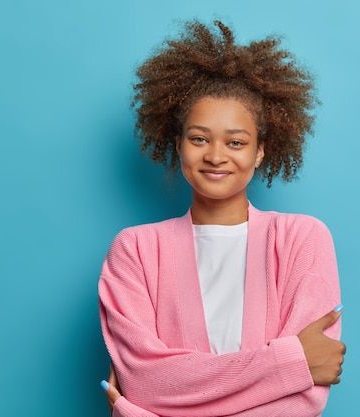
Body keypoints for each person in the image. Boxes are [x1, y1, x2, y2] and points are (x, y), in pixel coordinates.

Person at [98, 19, 345, 417]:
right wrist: (292, 361)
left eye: (236, 142)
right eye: (198, 138)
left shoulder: (302, 239)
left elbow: (305, 399)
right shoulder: (136, 250)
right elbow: (146, 383)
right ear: (177, 143)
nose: (215, 155)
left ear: (260, 150)